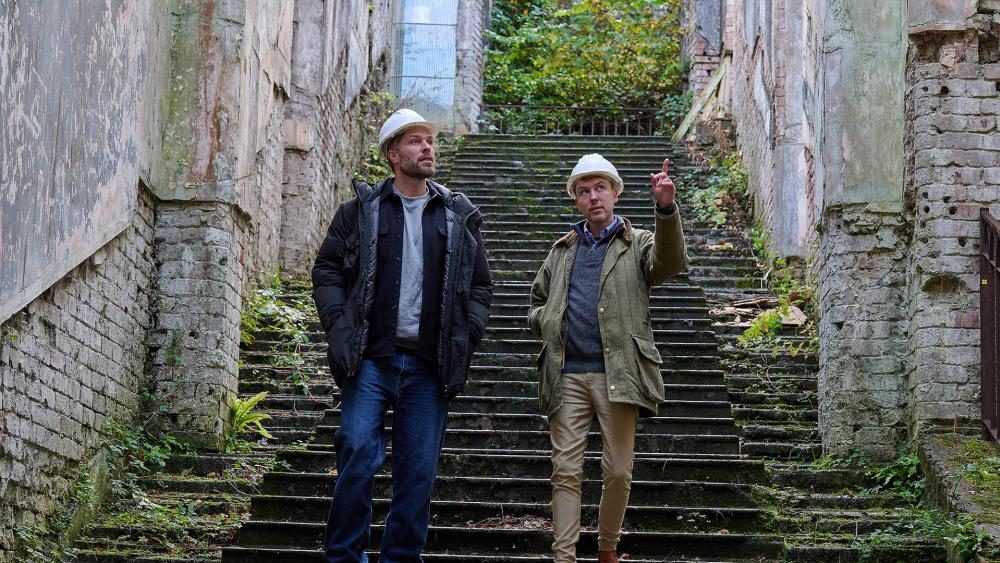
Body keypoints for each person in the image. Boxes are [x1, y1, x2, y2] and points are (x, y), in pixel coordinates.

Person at [312, 108, 493, 563]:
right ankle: (343, 558)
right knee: (356, 449)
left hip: (429, 366)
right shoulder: (360, 212)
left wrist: (466, 335)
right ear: (393, 155)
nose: (427, 148)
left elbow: (480, 285)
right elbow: (327, 270)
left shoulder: (457, 215)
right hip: (371, 359)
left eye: (429, 141)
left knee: (417, 474)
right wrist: (339, 326)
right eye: (415, 141)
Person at [527, 153, 688, 563]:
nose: (593, 196)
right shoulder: (562, 250)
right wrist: (546, 320)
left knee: (617, 472)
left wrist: (666, 209)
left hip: (619, 374)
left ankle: (606, 546)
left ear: (615, 194)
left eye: (600, 188)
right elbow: (537, 302)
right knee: (565, 471)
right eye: (584, 191)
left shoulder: (639, 244)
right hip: (566, 376)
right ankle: (563, 555)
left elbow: (669, 264)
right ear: (577, 201)